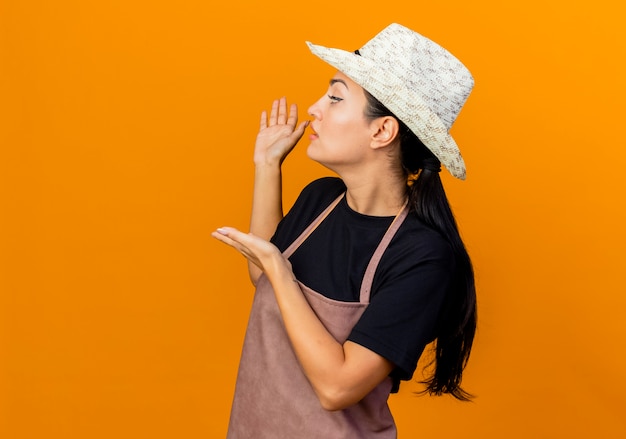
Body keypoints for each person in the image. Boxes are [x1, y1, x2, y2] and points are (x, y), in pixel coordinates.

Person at [212, 23, 477, 438]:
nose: (315, 108)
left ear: (382, 131)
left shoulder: (423, 256)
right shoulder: (321, 199)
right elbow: (264, 280)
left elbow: (338, 388)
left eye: (335, 98)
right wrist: (266, 167)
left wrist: (279, 268)